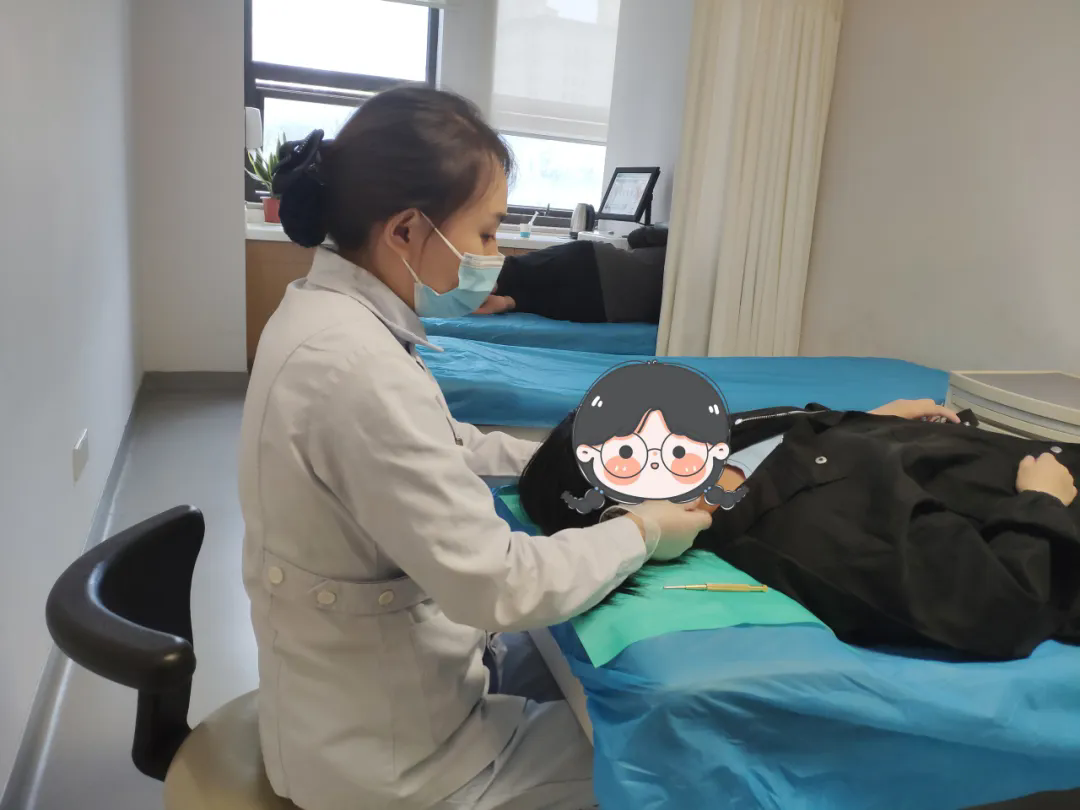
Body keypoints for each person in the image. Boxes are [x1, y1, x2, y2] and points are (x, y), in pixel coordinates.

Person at [237, 87, 713, 810]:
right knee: (671, 768)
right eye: (487, 235)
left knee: (583, 692)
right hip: (399, 767)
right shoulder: (356, 368)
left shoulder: (326, 318)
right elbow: (501, 584)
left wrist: (580, 462)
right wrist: (641, 530)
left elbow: (443, 443)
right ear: (406, 231)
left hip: (351, 708)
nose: (497, 257)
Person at [518, 395, 1080, 661]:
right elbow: (998, 605)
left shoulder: (731, 442)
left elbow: (795, 432)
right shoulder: (812, 532)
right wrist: (1042, 500)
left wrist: (866, 420)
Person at [472, 228, 667, 323]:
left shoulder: (679, 243)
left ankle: (487, 285)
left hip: (595, 261)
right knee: (533, 300)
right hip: (604, 306)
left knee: (515, 271)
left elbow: (637, 236)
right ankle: (507, 301)